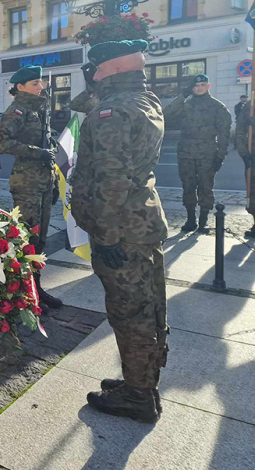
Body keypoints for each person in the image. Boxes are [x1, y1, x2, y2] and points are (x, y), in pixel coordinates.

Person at [71, 40, 168, 423]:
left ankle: (138, 396)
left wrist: (107, 236)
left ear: (109, 71)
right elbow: (86, 105)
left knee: (130, 313)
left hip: (121, 229)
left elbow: (112, 179)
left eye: (95, 69)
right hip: (142, 222)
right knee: (148, 305)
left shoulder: (111, 114)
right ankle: (141, 380)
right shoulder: (145, 101)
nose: (91, 75)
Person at [0, 65, 63, 311]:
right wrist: (37, 152)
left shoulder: (39, 109)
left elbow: (46, 142)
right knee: (27, 239)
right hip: (27, 184)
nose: (40, 87)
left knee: (40, 241)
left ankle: (35, 288)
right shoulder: (18, 111)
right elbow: (0, 142)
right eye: (35, 84)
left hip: (44, 182)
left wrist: (53, 173)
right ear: (20, 87)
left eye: (41, 83)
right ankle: (22, 291)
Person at [163, 74, 231, 233]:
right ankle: (191, 219)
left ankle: (203, 221)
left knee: (206, 187)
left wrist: (220, 155)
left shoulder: (217, 107)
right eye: (196, 85)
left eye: (202, 85)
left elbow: (224, 134)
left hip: (208, 152)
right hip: (186, 152)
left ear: (208, 86)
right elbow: (165, 115)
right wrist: (182, 96)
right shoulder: (185, 104)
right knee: (188, 186)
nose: (199, 88)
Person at [235, 107, 255, 237]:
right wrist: (244, 153)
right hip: (253, 155)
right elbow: (240, 132)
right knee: (252, 191)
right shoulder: (250, 106)